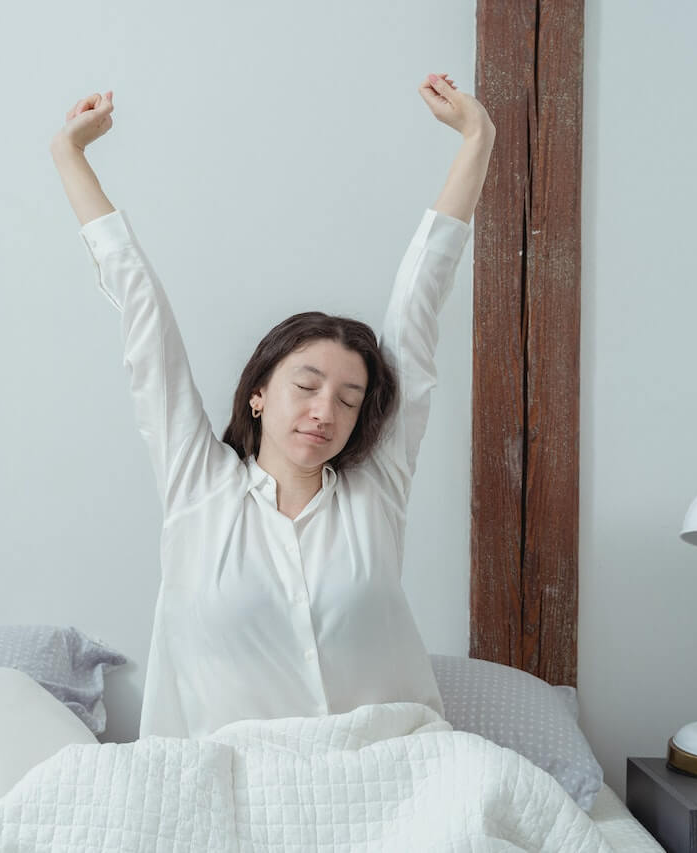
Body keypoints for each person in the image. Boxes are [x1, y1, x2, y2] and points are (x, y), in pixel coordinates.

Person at [50, 73, 495, 739]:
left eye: (349, 399)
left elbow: (420, 305)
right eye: (307, 385)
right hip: (227, 787)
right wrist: (70, 155)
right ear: (258, 393)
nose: (326, 410)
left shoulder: (376, 494)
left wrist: (477, 139)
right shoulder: (197, 486)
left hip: (388, 778)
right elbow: (143, 314)